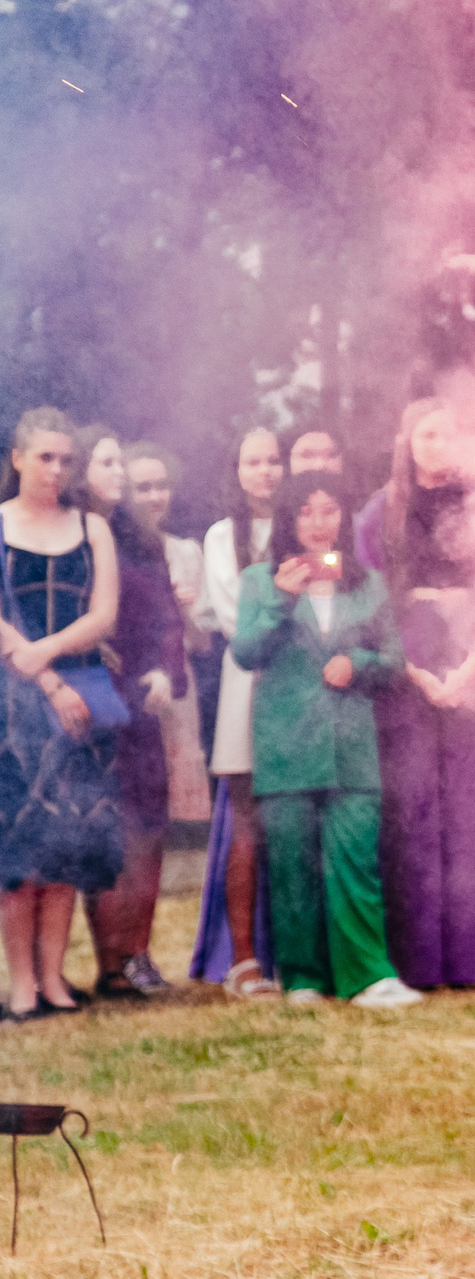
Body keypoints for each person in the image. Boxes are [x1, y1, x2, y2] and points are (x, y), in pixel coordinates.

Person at [230, 471, 422, 1008]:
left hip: (350, 747)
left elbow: (394, 662)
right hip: (287, 745)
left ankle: (368, 977)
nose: (319, 523)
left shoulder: (368, 583)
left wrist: (357, 662)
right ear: (289, 519)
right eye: (306, 511)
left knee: (355, 860)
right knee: (292, 868)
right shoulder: (260, 581)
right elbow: (244, 654)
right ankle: (303, 980)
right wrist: (281, 601)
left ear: (345, 517)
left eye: (330, 510)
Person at [353, 400, 475, 989]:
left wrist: (471, 667)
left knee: (471, 807)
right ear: (407, 440)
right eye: (428, 434)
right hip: (406, 656)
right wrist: (413, 670)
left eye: (450, 434)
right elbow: (367, 598)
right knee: (414, 805)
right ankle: (418, 960)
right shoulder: (382, 510)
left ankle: (474, 960)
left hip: (472, 656)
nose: (439, 445)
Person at [0, 408, 124, 1021]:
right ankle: (22, 985)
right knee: (18, 849)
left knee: (68, 846)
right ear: (17, 458)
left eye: (65, 459)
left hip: (82, 698)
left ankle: (53, 978)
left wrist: (45, 653)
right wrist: (43, 676)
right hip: (11, 707)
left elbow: (103, 615)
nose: (56, 469)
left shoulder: (91, 527)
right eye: (44, 457)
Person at [69, 426, 187, 998]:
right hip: (91, 697)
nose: (120, 472)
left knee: (147, 827)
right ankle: (110, 962)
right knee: (103, 830)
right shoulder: (67, 536)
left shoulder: (142, 539)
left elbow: (168, 618)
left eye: (121, 462)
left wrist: (166, 670)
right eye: (108, 462)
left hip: (143, 698)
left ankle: (138, 953)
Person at [190, 425, 286, 997]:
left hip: (303, 683)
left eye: (273, 460)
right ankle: (244, 959)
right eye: (254, 462)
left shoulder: (305, 525)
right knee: (247, 820)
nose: (265, 471)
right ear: (237, 470)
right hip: (247, 682)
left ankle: (301, 955)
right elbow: (233, 617)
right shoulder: (221, 536)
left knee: (298, 819)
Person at [125, 443, 214, 827]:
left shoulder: (186, 552)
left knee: (168, 815)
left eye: (161, 486)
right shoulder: (110, 546)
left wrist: (180, 610)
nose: (154, 496)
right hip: (130, 679)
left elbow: (203, 642)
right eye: (142, 487)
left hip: (177, 685)